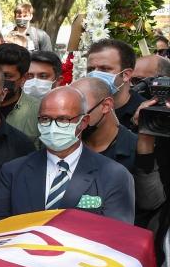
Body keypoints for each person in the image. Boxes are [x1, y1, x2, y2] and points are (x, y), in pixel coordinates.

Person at [0, 87, 136, 224]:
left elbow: (117, 238)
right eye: (45, 119)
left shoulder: (113, 175)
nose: (52, 127)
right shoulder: (13, 171)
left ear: (83, 122)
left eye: (63, 119)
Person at [71, 76, 165, 218]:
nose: (72, 118)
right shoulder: (65, 146)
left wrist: (145, 145)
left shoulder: (137, 148)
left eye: (80, 109)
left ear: (106, 105)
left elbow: (150, 202)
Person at [86, 39, 140, 130]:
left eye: (104, 69)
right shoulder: (82, 108)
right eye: (90, 69)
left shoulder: (143, 112)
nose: (94, 75)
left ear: (126, 75)